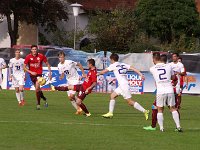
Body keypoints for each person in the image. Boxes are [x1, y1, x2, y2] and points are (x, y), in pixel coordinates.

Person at [98, 53, 149, 119]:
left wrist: (98, 73)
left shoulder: (113, 65)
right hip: (122, 85)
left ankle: (145, 111)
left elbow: (104, 71)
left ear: (112, 59)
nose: (110, 61)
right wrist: (140, 74)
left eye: (110, 59)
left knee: (130, 102)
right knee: (112, 96)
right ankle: (110, 113)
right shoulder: (123, 64)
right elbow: (133, 68)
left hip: (124, 85)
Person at [149, 52, 182, 132]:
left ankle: (161, 128)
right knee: (173, 108)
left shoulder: (152, 69)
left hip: (160, 90)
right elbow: (173, 77)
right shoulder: (169, 66)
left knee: (160, 109)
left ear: (154, 59)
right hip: (169, 89)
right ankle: (178, 126)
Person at [24, 45, 52, 110]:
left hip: (39, 75)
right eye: (33, 49)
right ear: (31, 50)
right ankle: (44, 98)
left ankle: (38, 104)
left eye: (35, 49)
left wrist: (50, 73)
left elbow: (48, 64)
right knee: (38, 90)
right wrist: (31, 72)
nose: (34, 50)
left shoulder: (41, 56)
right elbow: (24, 67)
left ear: (37, 50)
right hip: (32, 75)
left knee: (37, 88)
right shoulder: (28, 57)